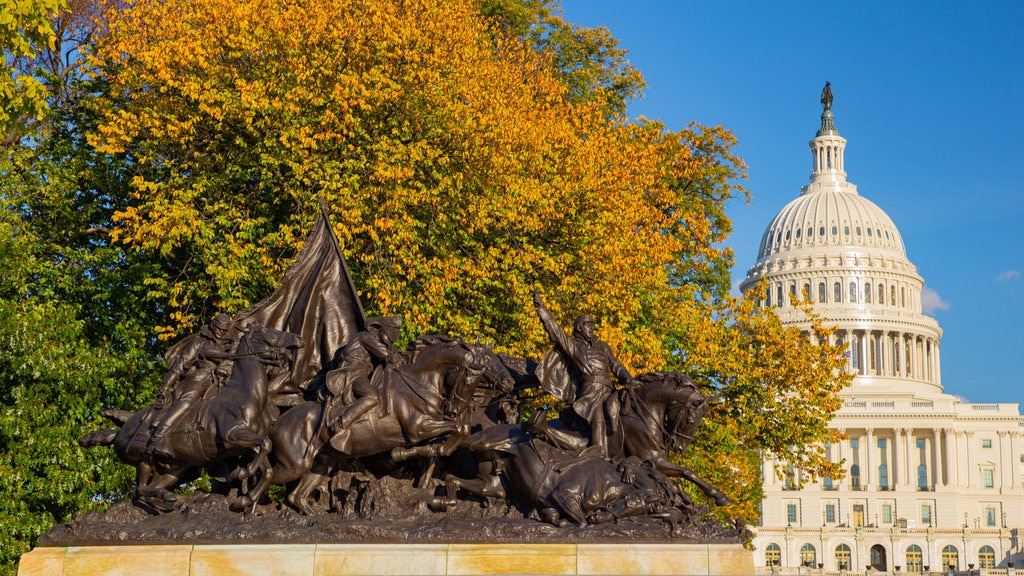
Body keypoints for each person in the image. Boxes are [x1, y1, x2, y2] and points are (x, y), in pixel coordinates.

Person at [532, 292, 637, 458]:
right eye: (588, 325)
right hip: (591, 394)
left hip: (609, 390)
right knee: (598, 418)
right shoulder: (574, 346)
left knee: (628, 412)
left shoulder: (602, 346)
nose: (592, 328)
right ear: (579, 328)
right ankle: (598, 457)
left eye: (592, 325)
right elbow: (557, 333)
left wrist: (628, 379)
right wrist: (542, 310)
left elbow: (616, 365)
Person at [146, 313, 238, 458]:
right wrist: (167, 384)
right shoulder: (199, 341)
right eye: (219, 329)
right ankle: (158, 439)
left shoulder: (230, 344)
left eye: (225, 329)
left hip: (224, 381)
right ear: (213, 325)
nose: (222, 332)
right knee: (186, 403)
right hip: (202, 378)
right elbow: (181, 364)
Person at [324, 316, 403, 452]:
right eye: (392, 333)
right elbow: (385, 354)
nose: (392, 339)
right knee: (372, 396)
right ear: (383, 330)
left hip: (361, 375)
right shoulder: (365, 336)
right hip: (352, 374)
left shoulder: (371, 340)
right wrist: (395, 356)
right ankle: (340, 424)